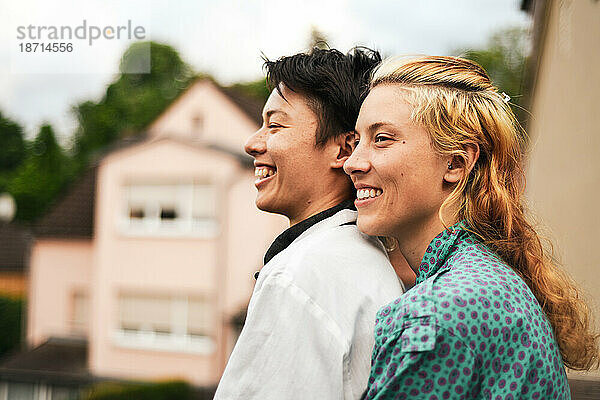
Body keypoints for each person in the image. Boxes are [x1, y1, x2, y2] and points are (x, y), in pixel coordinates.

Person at [344, 55, 599, 399]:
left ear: (456, 163)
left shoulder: (434, 317)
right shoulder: (491, 278)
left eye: (382, 139)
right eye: (357, 140)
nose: (353, 162)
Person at [214, 48, 404, 400]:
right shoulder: (360, 256)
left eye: (275, 125)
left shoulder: (303, 275)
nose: (252, 142)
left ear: (344, 150)